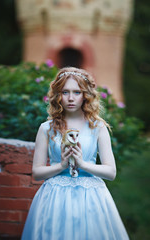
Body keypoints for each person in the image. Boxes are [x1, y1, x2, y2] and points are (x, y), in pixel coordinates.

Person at [21, 67, 129, 240]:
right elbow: (37, 173)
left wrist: (83, 164)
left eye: (77, 92)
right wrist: (61, 165)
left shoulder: (98, 127)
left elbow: (111, 172)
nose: (71, 98)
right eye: (65, 92)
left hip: (91, 198)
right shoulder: (46, 128)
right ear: (58, 95)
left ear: (85, 95)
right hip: (54, 198)